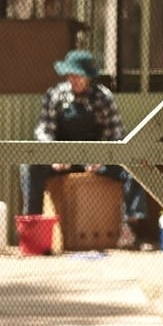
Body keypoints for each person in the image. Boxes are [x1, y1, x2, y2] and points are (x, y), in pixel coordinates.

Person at [20, 49, 148, 244]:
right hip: (62, 161)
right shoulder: (55, 95)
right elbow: (43, 130)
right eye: (70, 75)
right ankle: (34, 227)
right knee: (29, 167)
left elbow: (117, 134)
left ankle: (131, 228)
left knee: (135, 167)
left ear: (89, 77)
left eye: (78, 75)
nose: (74, 79)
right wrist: (54, 155)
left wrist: (103, 157)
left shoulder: (102, 97)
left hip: (94, 161)